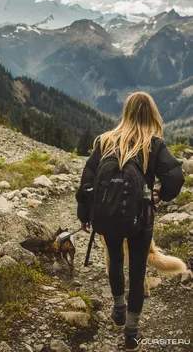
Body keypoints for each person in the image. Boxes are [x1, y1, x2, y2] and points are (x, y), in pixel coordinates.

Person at [76, 92, 184, 351]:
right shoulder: (153, 144)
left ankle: (118, 310)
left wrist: (85, 215)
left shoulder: (105, 141)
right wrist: (161, 195)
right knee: (137, 273)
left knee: (114, 259)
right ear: (152, 114)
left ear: (126, 112)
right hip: (141, 218)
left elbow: (87, 182)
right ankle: (132, 334)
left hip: (108, 217)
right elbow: (175, 177)